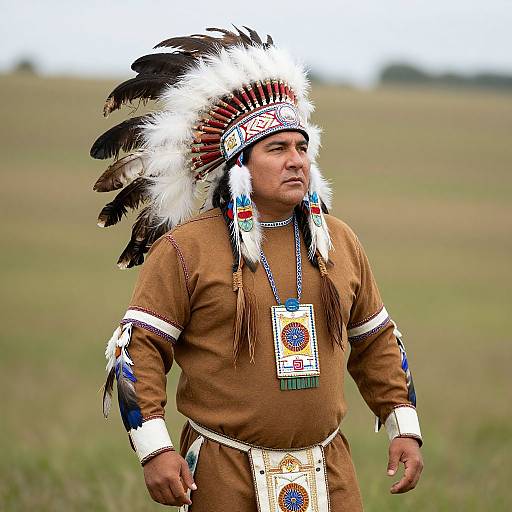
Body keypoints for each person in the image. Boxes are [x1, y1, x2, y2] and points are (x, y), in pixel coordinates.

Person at [92, 27, 423, 511]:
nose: (297, 161)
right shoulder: (187, 249)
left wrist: (404, 425)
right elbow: (138, 349)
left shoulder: (339, 242)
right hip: (224, 476)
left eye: (301, 147)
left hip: (329, 472)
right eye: (278, 149)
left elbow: (375, 340)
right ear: (239, 165)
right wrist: (155, 448)